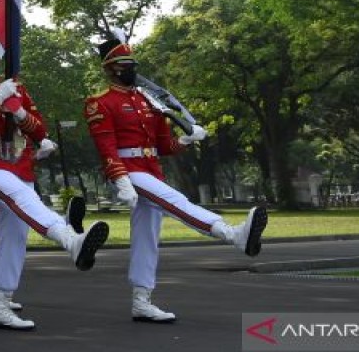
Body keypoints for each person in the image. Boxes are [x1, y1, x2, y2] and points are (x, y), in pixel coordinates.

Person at [85, 37, 268, 323]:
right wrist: (120, 179)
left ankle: (141, 301)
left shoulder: (148, 101)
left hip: (150, 169)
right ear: (110, 69)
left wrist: (185, 139)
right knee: (177, 201)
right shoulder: (100, 103)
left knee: (147, 239)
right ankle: (233, 235)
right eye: (124, 65)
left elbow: (163, 145)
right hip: (128, 171)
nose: (130, 69)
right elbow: (106, 146)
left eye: (133, 64)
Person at [0, 26, 111, 330]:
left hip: (19, 165)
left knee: (14, 234)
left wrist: (19, 112)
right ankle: (71, 240)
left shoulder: (16, 89)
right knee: (24, 199)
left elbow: (39, 129)